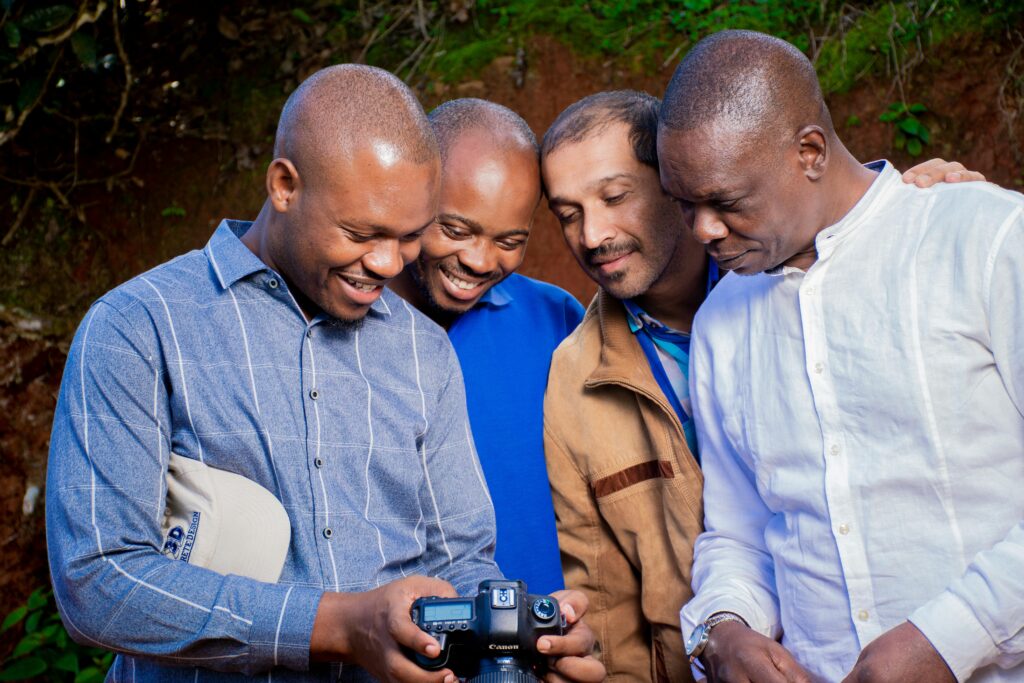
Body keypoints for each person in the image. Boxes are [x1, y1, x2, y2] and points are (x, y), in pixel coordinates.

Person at [46, 65, 598, 683]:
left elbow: (463, 560)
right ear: (284, 185)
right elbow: (97, 583)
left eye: (411, 237)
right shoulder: (138, 327)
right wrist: (338, 626)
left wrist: (516, 645)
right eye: (362, 234)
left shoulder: (423, 350)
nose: (388, 265)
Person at [539, 89, 985, 682]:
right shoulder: (573, 379)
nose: (592, 235)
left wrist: (916, 216)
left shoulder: (814, 267)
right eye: (568, 214)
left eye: (615, 197)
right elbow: (608, 612)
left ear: (676, 177)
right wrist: (719, 635)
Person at [658, 30, 1024, 683]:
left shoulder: (988, 240)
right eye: (685, 204)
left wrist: (947, 637)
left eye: (725, 203)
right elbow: (740, 532)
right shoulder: (719, 324)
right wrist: (724, 628)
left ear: (809, 152)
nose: (703, 230)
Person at [390, 98, 584, 595]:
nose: (479, 261)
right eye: (455, 230)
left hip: (541, 642)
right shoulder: (344, 320)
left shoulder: (556, 319)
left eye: (509, 240)